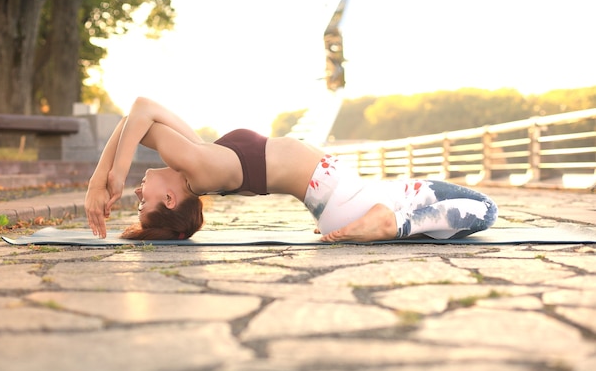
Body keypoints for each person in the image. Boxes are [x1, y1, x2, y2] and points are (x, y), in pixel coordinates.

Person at [85, 97, 498, 242]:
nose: (136, 193)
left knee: (470, 213)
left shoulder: (199, 160)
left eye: (134, 199)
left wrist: (101, 182)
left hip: (351, 199)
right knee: (484, 209)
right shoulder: (199, 167)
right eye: (142, 204)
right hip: (349, 200)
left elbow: (139, 118)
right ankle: (391, 225)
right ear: (171, 199)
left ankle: (395, 223)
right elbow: (140, 113)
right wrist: (109, 180)